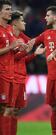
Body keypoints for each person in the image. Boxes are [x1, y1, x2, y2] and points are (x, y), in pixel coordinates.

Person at [9, 10, 44, 135]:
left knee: (15, 111)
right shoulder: (10, 39)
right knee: (8, 110)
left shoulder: (21, 39)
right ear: (14, 23)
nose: (25, 23)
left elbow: (23, 60)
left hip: (21, 78)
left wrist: (34, 54)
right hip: (10, 78)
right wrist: (26, 50)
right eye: (22, 21)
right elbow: (11, 58)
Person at [33, 6, 56, 135]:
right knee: (55, 107)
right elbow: (32, 42)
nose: (45, 17)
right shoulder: (46, 34)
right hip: (51, 76)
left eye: (48, 15)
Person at [0, 1, 25, 134]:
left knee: (6, 109)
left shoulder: (8, 30)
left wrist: (18, 48)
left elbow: (10, 51)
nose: (10, 11)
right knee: (4, 109)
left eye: (11, 9)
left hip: (9, 74)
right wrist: (11, 47)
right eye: (7, 9)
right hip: (1, 74)